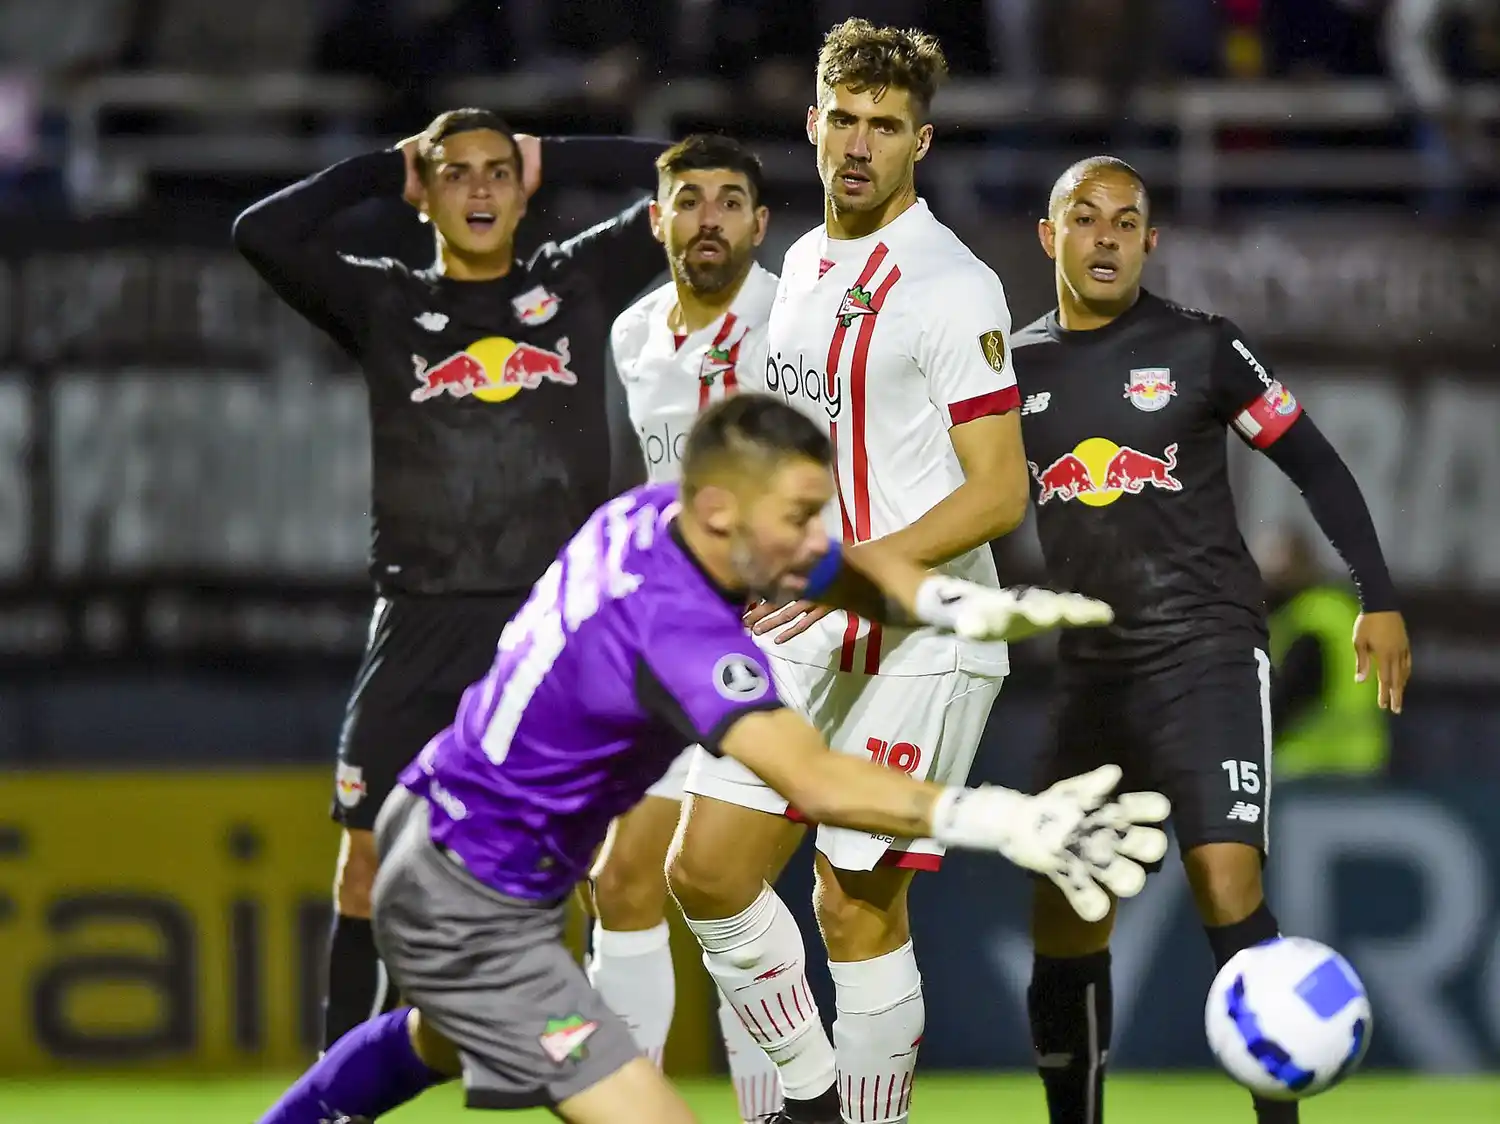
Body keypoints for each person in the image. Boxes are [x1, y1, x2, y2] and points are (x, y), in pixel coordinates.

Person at [253, 393, 1170, 1124]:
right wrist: (1001, 817)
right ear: (726, 509)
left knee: (437, 1043)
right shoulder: (679, 633)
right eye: (802, 515)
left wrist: (945, 605)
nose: (818, 537)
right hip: (472, 906)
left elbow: (834, 568)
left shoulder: (654, 517)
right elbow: (812, 779)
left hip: (443, 832)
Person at [232, 108, 664, 1051]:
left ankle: (602, 1080)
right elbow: (259, 232)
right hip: (420, 621)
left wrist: (560, 152)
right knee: (361, 870)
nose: (478, 188)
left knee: (600, 868)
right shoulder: (386, 306)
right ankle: (340, 1097)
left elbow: (691, 171)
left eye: (499, 172)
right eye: (454, 172)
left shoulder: (575, 283)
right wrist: (379, 167)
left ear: (523, 188)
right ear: (422, 192)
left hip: (553, 627)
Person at [666, 19, 1032, 1124]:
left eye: (889, 125)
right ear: (813, 124)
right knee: (709, 869)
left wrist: (844, 565)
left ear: (922, 141)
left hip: (922, 625)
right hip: (812, 615)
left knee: (853, 900)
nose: (862, 143)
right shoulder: (804, 273)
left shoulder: (952, 284)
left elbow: (999, 490)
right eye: (847, 120)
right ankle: (811, 1102)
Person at [1011, 155, 1413, 1124]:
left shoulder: (1204, 348)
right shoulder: (1005, 368)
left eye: (1125, 222)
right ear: (1048, 235)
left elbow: (1314, 460)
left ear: (1152, 242)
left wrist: (1379, 593)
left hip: (1207, 652)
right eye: (1085, 217)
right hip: (1092, 670)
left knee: (1227, 882)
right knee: (1067, 917)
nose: (1105, 236)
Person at [591, 132, 785, 1117]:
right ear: (658, 217)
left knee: (725, 890)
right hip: (670, 639)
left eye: (729, 200)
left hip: (783, 640)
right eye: (689, 198)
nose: (709, 217)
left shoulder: (793, 317)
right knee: (622, 879)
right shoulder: (632, 334)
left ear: (758, 221)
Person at [1260, 530, 1389, 779]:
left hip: (1311, 765)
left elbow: (1291, 697)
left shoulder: (1308, 621)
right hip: (1360, 762)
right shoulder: (1340, 610)